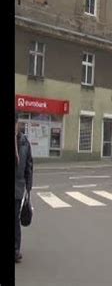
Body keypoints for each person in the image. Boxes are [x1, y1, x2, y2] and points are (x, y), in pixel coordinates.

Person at [15, 113, 33, 263]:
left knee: (15, 219)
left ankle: (15, 250)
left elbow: (29, 166)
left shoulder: (24, 142)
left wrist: (29, 188)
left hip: (17, 188)